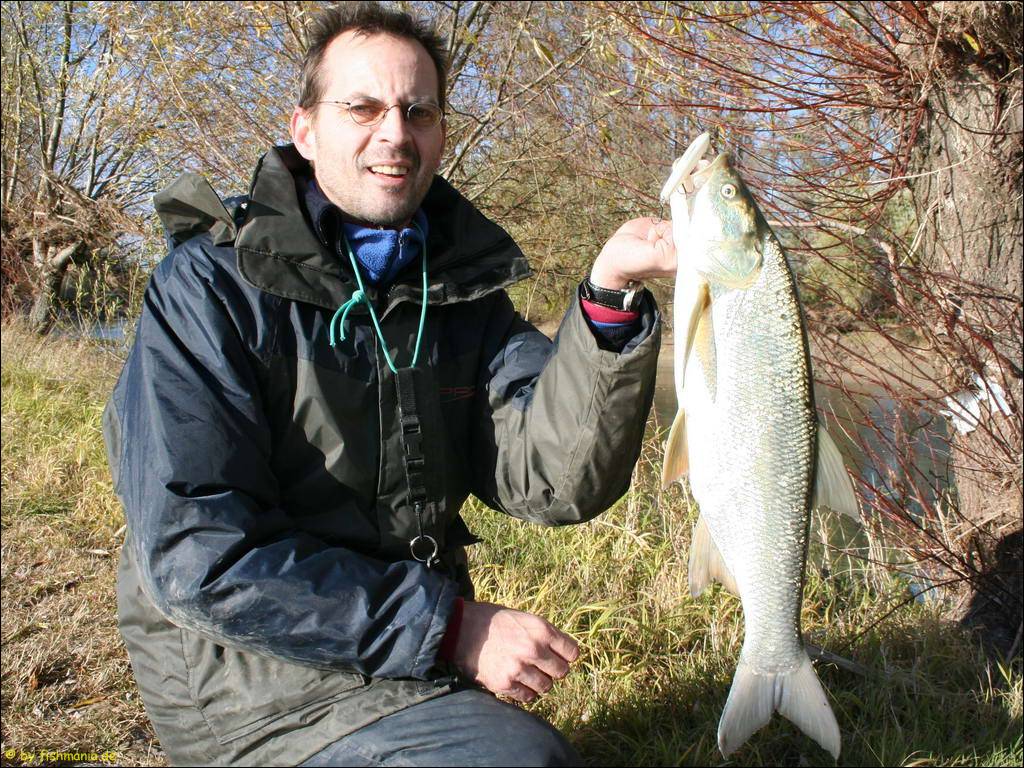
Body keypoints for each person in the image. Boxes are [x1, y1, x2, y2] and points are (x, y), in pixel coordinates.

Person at [104, 3, 675, 766]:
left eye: (419, 111)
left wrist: (608, 296)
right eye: (362, 108)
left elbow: (553, 479)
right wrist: (450, 628)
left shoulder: (460, 289)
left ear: (440, 133)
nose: (395, 134)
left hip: (403, 655)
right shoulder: (209, 289)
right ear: (306, 130)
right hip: (250, 682)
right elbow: (197, 553)